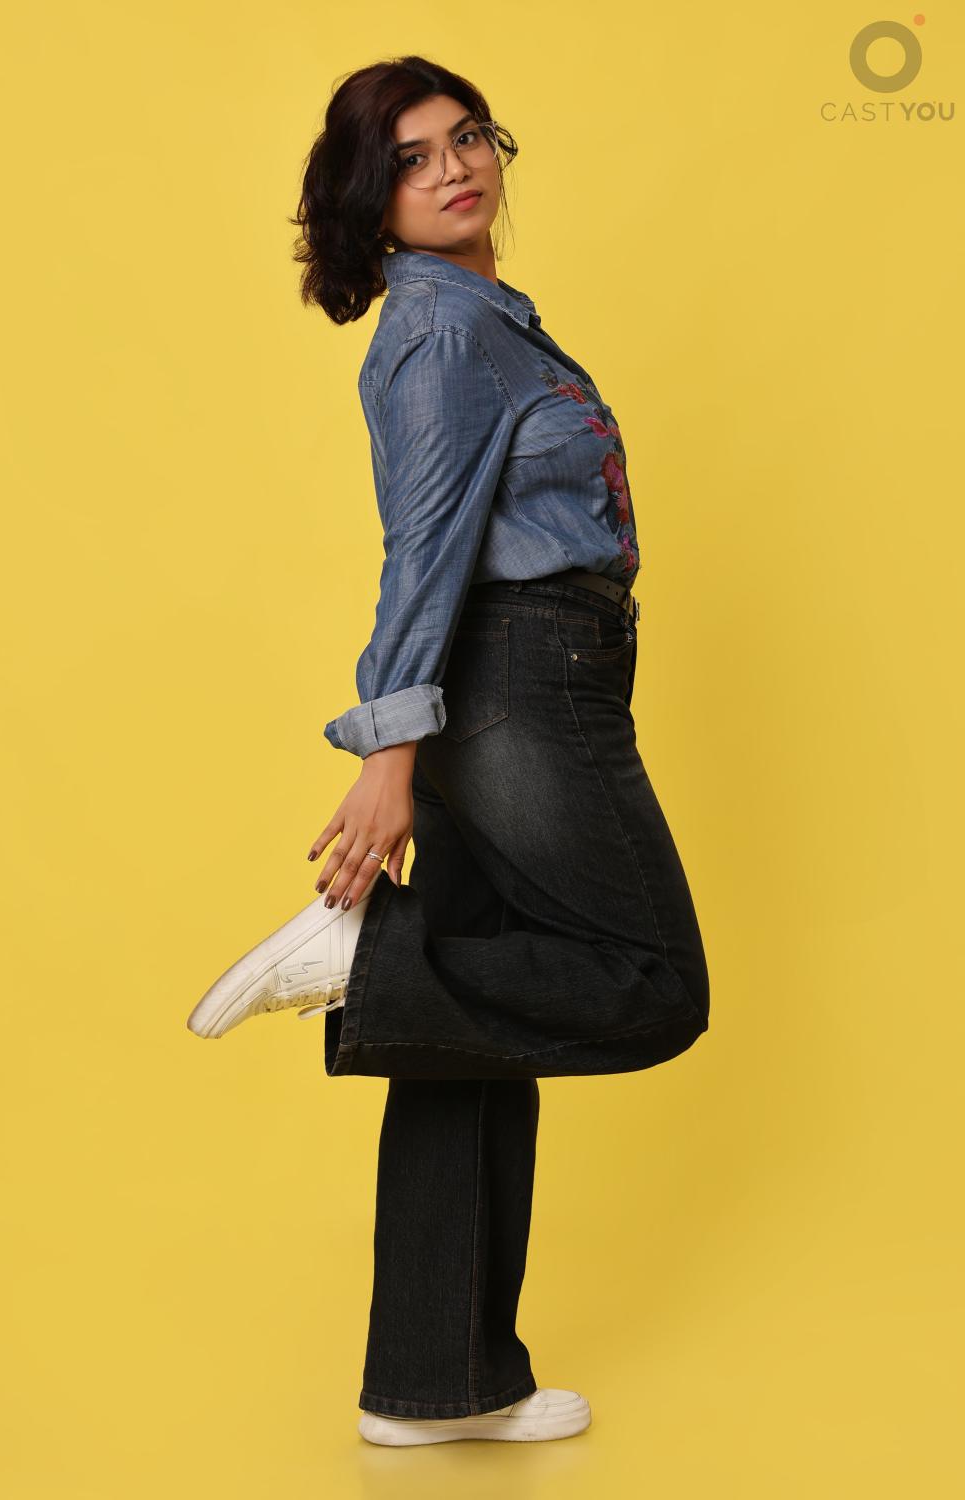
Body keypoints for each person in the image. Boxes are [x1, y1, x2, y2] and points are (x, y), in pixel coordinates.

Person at [187, 55, 711, 1449]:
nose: (455, 168)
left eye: (467, 137)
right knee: (654, 984)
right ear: (375, 203)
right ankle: (369, 961)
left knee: (460, 1048)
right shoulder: (441, 333)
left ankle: (433, 1383)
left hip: (514, 679)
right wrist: (390, 751)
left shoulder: (483, 318)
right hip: (521, 679)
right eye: (413, 159)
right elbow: (422, 552)